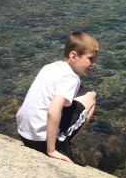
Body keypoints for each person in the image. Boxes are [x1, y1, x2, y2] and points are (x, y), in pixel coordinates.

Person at [16, 31, 99, 163]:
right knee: (91, 96)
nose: (94, 64)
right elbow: (53, 111)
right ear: (73, 56)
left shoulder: (50, 67)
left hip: (24, 134)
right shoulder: (71, 78)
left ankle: (58, 140)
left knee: (81, 90)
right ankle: (63, 143)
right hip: (40, 142)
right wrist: (51, 150)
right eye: (90, 59)